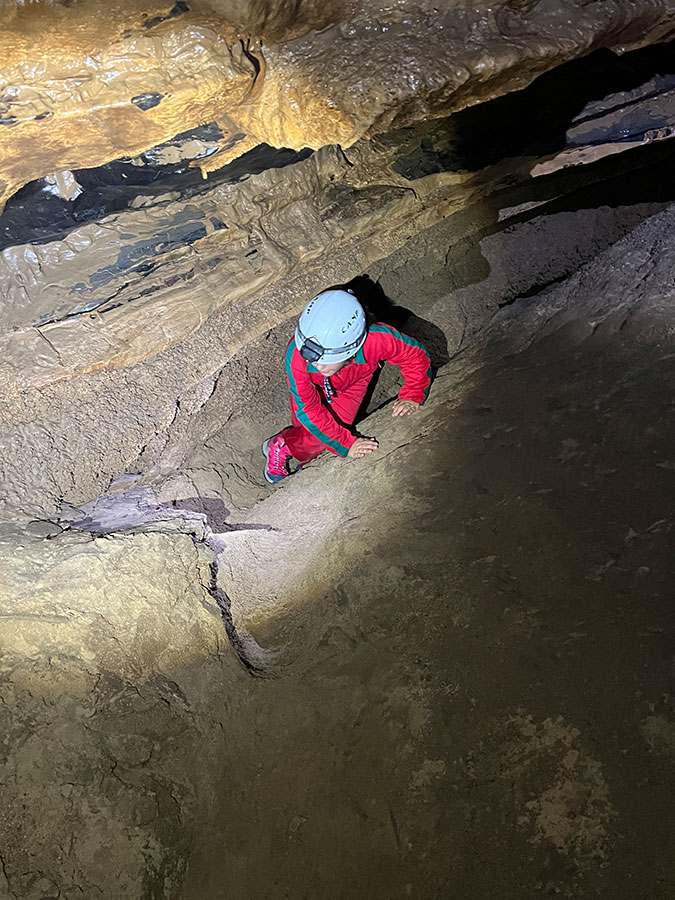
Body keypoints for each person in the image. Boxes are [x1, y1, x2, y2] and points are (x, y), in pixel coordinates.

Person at [263, 288, 432, 483]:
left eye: (325, 360)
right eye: (313, 360)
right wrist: (346, 443)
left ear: (352, 348)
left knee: (334, 430)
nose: (317, 365)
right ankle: (282, 445)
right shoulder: (297, 355)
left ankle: (307, 453)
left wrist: (413, 393)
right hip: (313, 387)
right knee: (313, 432)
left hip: (354, 381)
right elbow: (308, 408)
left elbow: (414, 355)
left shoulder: (377, 340)